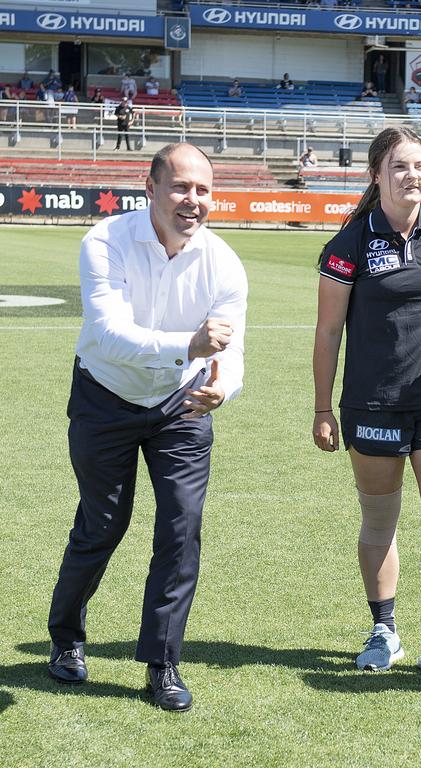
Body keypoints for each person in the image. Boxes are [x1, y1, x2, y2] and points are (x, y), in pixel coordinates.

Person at [46, 142, 248, 713]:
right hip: (103, 397)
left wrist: (221, 387)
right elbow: (108, 333)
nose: (193, 200)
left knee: (182, 529)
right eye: (181, 187)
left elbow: (231, 349)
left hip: (180, 407)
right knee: (102, 525)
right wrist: (188, 346)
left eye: (203, 190)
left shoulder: (225, 263)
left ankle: (163, 663)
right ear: (151, 187)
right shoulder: (105, 241)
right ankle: (65, 639)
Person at [312, 127, 421, 682]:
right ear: (377, 175)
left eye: (420, 166)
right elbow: (328, 331)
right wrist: (322, 407)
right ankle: (383, 629)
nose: (414, 176)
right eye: (401, 167)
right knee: (381, 518)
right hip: (373, 404)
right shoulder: (350, 243)